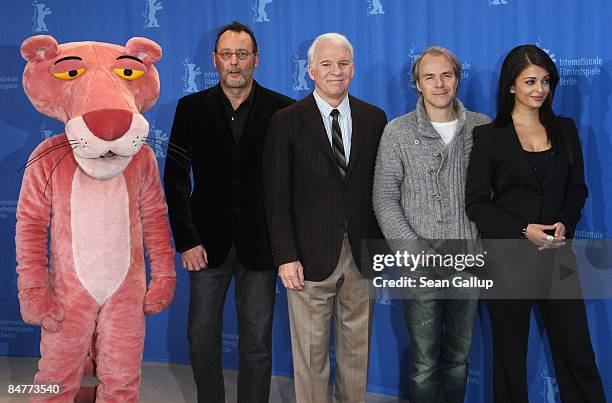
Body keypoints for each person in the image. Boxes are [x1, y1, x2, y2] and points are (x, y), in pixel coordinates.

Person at [465, 44, 606, 403]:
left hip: (558, 256)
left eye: (545, 81)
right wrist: (522, 229)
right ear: (511, 86)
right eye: (530, 81)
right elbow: (478, 204)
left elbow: (577, 189)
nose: (539, 89)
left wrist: (565, 226)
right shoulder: (489, 136)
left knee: (576, 347)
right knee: (509, 355)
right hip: (508, 258)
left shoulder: (566, 129)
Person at [163, 21, 293, 403]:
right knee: (202, 340)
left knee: (257, 345)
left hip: (262, 246)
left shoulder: (283, 110)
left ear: (257, 59)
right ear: (214, 60)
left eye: (242, 54)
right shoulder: (190, 109)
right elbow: (174, 178)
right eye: (227, 54)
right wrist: (186, 239)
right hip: (206, 245)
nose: (234, 62)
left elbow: (291, 183)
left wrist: (286, 246)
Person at [263, 33, 387, 403]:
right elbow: (276, 195)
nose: (337, 71)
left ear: (354, 68)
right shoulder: (286, 121)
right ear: (311, 71)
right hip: (307, 256)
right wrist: (286, 255)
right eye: (328, 64)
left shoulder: (374, 118)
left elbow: (382, 188)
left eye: (344, 64)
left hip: (363, 254)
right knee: (311, 357)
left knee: (356, 353)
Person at [373, 46, 490, 403]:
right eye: (429, 77)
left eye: (446, 75)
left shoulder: (483, 128)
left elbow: (499, 194)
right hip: (420, 266)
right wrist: (415, 251)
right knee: (424, 362)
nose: (439, 84)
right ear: (417, 84)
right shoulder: (396, 133)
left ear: (457, 78)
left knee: (457, 360)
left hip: (467, 261)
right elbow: (384, 199)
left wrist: (483, 240)